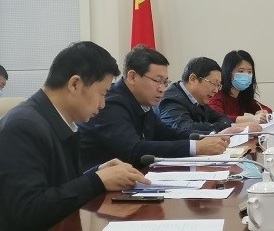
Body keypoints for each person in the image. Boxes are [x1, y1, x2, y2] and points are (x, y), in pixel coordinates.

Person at [0, 41, 148, 231]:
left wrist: (99, 172)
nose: (103, 104)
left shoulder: (53, 121)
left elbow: (56, 186)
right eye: (102, 93)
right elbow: (31, 210)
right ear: (75, 84)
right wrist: (97, 181)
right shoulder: (21, 127)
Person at [79, 45, 229, 167]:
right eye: (157, 81)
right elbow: (135, 150)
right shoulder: (111, 104)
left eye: (165, 82)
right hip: (99, 191)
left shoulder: (140, 103)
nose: (162, 89)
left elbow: (168, 134)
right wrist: (197, 147)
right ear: (132, 77)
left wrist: (209, 137)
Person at [157, 57, 257, 138]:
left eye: (219, 85)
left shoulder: (199, 99)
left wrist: (229, 126)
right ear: (193, 79)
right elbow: (186, 129)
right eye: (214, 84)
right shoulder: (171, 100)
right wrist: (227, 128)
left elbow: (221, 118)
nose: (216, 90)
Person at [210, 50, 273, 124]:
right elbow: (216, 118)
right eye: (241, 71)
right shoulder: (216, 95)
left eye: (249, 72)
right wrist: (250, 119)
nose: (246, 75)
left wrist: (263, 112)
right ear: (228, 72)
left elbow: (268, 109)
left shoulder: (242, 96)